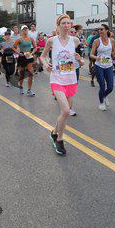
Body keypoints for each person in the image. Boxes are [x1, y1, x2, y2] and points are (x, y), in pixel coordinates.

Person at [40, 14, 83, 156]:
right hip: (57, 78)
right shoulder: (51, 41)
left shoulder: (75, 40)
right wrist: (45, 64)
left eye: (68, 23)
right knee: (65, 111)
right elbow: (42, 56)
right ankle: (59, 139)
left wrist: (80, 60)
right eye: (63, 23)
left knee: (66, 112)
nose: (66, 25)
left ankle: (54, 132)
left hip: (71, 79)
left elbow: (79, 60)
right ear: (58, 26)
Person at [90, 24, 115, 111]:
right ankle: (101, 103)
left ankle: (104, 96)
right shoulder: (97, 41)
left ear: (107, 30)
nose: (100, 31)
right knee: (102, 85)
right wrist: (96, 57)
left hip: (109, 66)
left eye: (102, 29)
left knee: (110, 87)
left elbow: (113, 52)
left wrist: (114, 54)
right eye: (99, 29)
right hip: (99, 66)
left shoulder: (112, 41)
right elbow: (91, 54)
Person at [14, 25, 38, 96]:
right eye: (23, 29)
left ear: (27, 30)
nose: (25, 30)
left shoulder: (31, 39)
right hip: (22, 57)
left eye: (26, 29)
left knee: (30, 73)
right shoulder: (19, 39)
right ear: (21, 31)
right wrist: (18, 53)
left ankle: (29, 90)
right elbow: (13, 47)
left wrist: (32, 53)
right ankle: (21, 87)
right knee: (22, 73)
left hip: (29, 56)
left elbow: (35, 47)